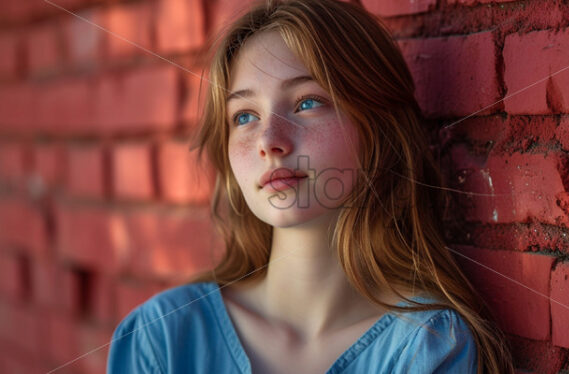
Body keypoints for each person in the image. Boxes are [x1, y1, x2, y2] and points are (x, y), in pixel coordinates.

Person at [106, 0, 513, 373]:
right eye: (244, 116)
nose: (269, 142)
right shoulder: (161, 339)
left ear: (378, 129)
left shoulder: (427, 346)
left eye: (306, 102)